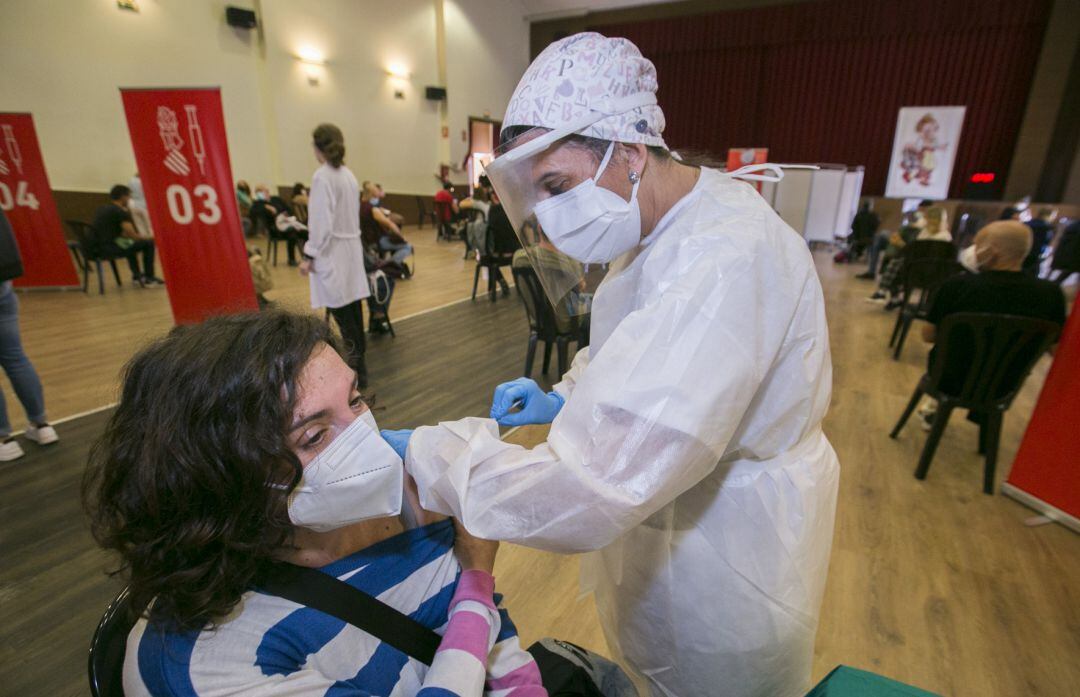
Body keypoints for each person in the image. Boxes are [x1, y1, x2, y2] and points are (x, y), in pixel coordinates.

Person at [384, 32, 839, 697]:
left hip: (730, 551)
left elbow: (595, 485)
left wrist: (434, 457)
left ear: (627, 151)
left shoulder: (725, 258)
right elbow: (631, 350)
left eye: (556, 184)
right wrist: (566, 394)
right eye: (533, 192)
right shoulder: (653, 224)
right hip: (673, 520)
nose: (547, 213)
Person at [82, 311, 546, 696]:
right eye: (315, 434)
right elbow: (475, 609)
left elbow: (493, 637)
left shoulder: (411, 497)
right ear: (220, 481)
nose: (372, 446)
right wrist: (477, 580)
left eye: (356, 400)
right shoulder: (205, 662)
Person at [917, 220, 1066, 429]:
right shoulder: (1051, 295)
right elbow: (1055, 349)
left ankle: (933, 408)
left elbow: (928, 335)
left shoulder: (956, 286)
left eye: (978, 246)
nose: (974, 252)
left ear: (992, 250)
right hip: (1004, 387)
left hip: (949, 379)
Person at [301, 123, 371, 388]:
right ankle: (360, 368)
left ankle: (353, 371)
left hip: (334, 254)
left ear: (319, 148)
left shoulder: (323, 176)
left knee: (344, 316)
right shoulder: (349, 175)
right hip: (350, 252)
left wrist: (310, 255)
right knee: (354, 314)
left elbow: (321, 223)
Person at [0, 210, 58, 461]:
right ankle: (42, 425)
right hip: (3, 284)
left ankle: (4, 439)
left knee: (15, 358)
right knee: (16, 357)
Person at [91, 185, 163, 287]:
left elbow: (117, 232)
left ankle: (137, 276)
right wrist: (151, 237)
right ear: (123, 197)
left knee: (129, 243)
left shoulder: (102, 209)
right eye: (129, 196)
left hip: (97, 247)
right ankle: (149, 278)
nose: (129, 199)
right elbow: (133, 235)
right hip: (111, 248)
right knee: (148, 243)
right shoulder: (121, 212)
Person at [859, 199, 934, 280]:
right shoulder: (916, 217)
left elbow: (915, 233)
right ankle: (871, 271)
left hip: (908, 243)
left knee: (881, 236)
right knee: (878, 239)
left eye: (921, 208)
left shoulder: (929, 220)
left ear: (925, 208)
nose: (919, 210)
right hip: (903, 238)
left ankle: (872, 272)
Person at [361, 181, 414, 268]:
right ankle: (388, 265)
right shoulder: (373, 209)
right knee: (408, 247)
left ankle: (385, 263)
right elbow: (391, 225)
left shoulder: (360, 206)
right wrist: (401, 237)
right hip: (376, 241)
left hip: (365, 241)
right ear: (373, 194)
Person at [1023, 208, 1054, 276]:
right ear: (1048, 215)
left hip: (1022, 251)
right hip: (1035, 253)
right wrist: (1043, 253)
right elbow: (1046, 242)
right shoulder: (1046, 227)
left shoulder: (1026, 223)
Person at [127, 173, 153, 238]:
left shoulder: (131, 181)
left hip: (133, 205)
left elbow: (129, 193)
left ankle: (145, 243)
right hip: (145, 205)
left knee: (140, 226)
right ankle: (152, 244)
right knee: (150, 227)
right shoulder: (146, 181)